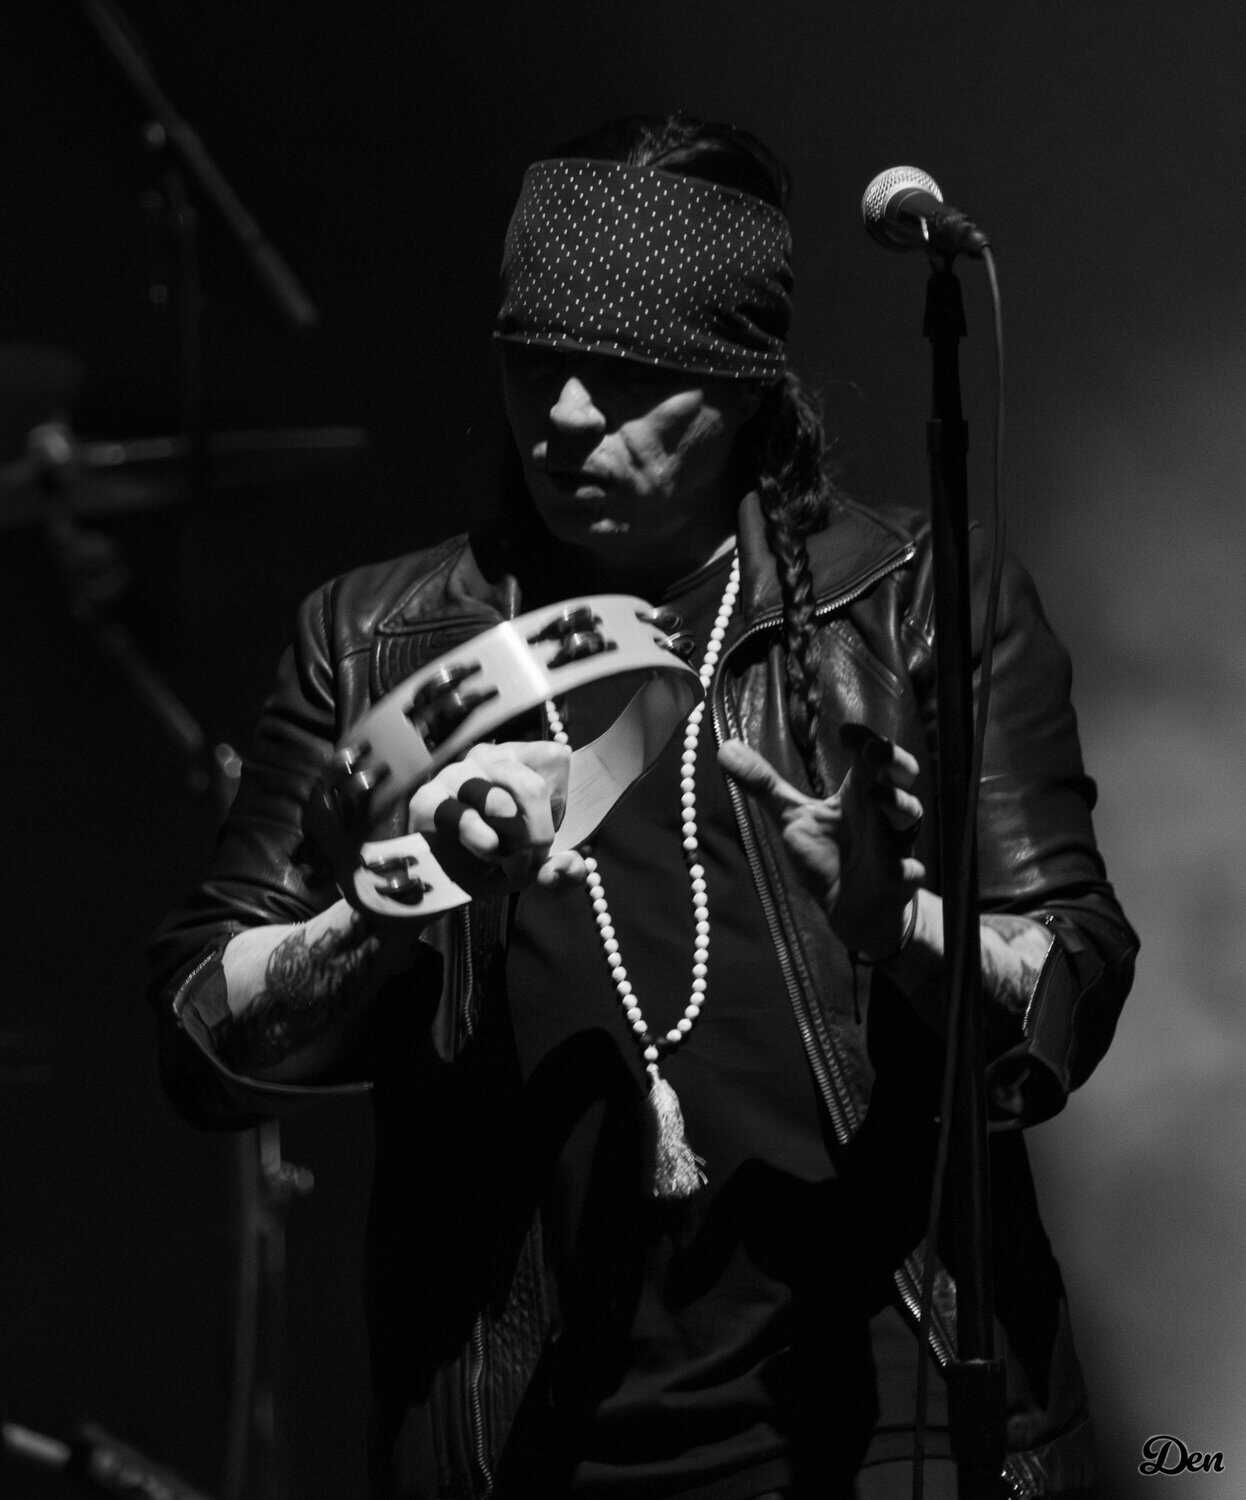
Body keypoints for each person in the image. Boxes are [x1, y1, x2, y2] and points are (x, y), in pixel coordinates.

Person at [148, 113, 1138, 1499]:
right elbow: (202, 1033)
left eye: (624, 379)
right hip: (521, 1448)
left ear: (742, 387)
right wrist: (386, 906)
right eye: (532, 363)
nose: (564, 417)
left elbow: (1068, 987)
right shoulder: (374, 643)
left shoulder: (914, 602)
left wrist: (901, 927)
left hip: (886, 1427)